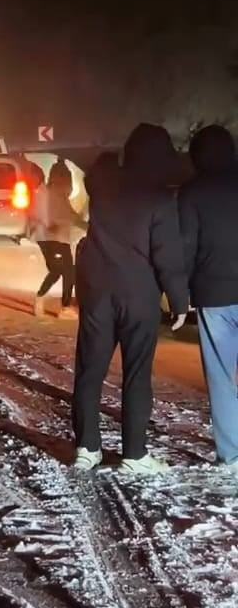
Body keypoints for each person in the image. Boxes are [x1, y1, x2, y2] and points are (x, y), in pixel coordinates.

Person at [72, 125, 188, 474]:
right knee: (137, 373)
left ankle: (86, 447)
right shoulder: (159, 198)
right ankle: (134, 455)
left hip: (97, 290)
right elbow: (167, 253)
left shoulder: (104, 186)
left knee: (90, 371)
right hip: (138, 293)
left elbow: (97, 167)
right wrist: (179, 300)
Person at [179, 125, 238, 470]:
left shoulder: (192, 192)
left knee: (220, 375)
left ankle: (231, 454)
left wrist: (180, 290)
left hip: (213, 293)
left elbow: (186, 245)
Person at [33, 161, 85, 320]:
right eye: (67, 179)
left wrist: (90, 227)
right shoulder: (50, 194)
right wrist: (49, 225)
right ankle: (64, 307)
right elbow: (41, 215)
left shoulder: (60, 196)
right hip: (51, 240)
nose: (69, 185)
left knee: (63, 271)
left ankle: (44, 300)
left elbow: (73, 217)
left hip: (59, 240)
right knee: (65, 271)